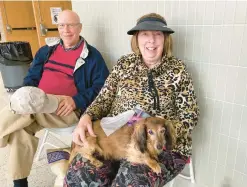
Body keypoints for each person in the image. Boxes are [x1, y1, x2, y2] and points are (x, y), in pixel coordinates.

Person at [65, 13, 199, 187]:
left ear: (165, 39)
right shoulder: (124, 64)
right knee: (80, 175)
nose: (151, 40)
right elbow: (104, 98)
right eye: (145, 34)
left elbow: (190, 116)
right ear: (136, 39)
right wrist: (87, 117)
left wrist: (164, 130)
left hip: (160, 146)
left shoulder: (178, 70)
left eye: (157, 34)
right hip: (117, 138)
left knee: (131, 181)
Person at [0, 10, 109, 187]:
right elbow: (30, 79)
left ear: (79, 27)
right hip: (38, 105)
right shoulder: (46, 51)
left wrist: (77, 100)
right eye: (61, 25)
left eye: (71, 25)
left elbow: (102, 88)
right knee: (21, 129)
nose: (66, 30)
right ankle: (20, 184)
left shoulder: (92, 56)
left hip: (66, 109)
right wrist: (28, 93)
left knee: (26, 105)